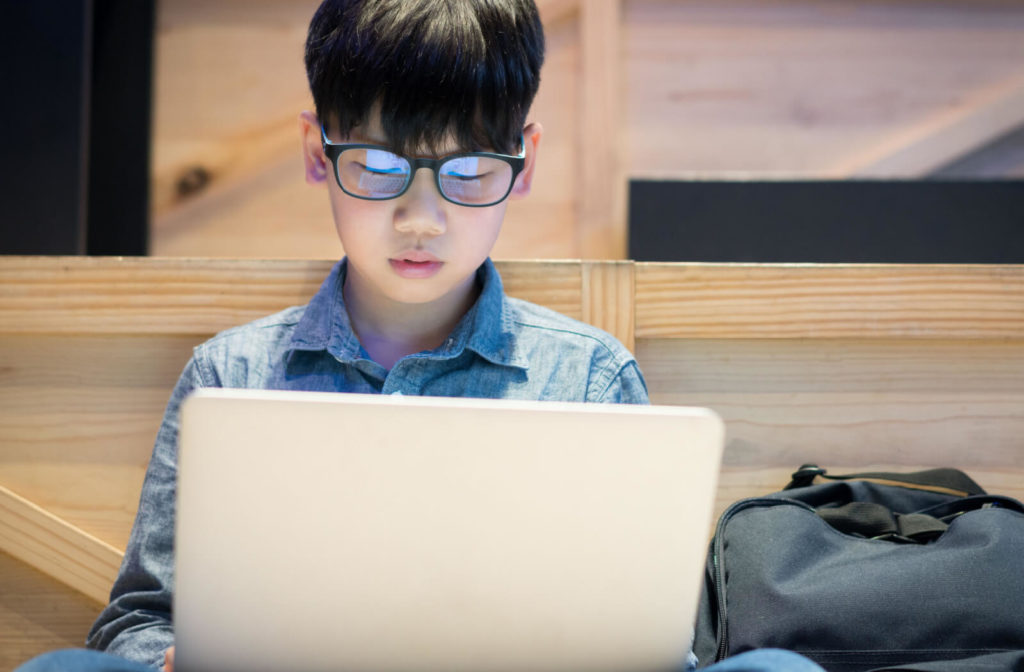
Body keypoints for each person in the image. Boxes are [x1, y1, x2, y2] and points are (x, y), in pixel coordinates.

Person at [16, 1, 824, 671]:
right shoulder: (232, 372)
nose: (421, 220)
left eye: (468, 173)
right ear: (315, 152)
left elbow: (653, 643)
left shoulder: (588, 375)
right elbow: (137, 622)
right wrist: (169, 657)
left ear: (525, 161)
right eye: (376, 164)